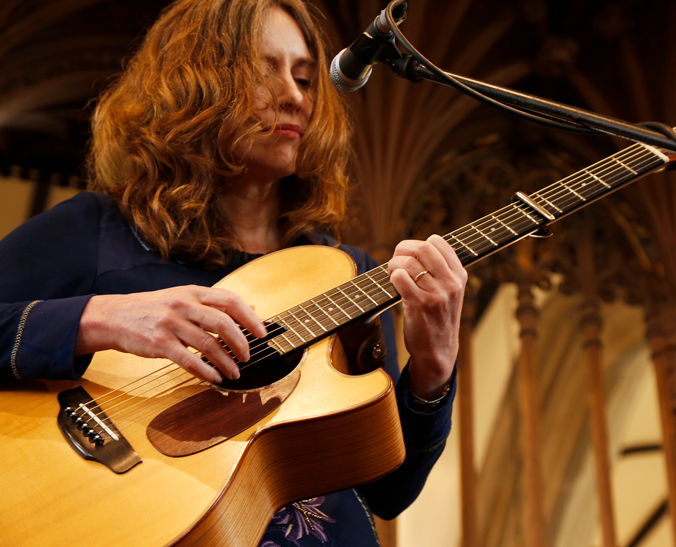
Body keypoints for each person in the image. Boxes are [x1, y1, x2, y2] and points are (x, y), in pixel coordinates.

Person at [0, 0, 466, 545]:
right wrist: (97, 318)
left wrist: (433, 372)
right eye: (265, 71)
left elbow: (388, 490)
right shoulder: (96, 230)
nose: (296, 96)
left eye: (306, 78)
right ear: (193, 83)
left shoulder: (347, 273)